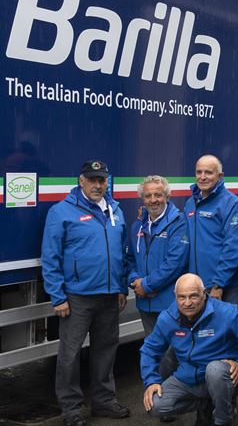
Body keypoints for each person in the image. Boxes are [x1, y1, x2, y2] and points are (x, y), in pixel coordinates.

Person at [41, 159, 129, 426]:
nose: (98, 185)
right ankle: (71, 409)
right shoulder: (61, 212)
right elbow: (50, 256)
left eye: (102, 180)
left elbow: (122, 253)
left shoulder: (116, 210)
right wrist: (58, 296)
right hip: (77, 297)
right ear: (81, 180)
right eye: (92, 179)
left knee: (105, 351)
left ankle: (103, 402)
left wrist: (121, 287)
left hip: (109, 295)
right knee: (70, 354)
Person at [140, 273, 238, 426]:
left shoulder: (225, 312)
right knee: (155, 405)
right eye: (182, 297)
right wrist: (151, 381)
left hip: (222, 376)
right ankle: (206, 404)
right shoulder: (167, 318)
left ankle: (223, 420)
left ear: (204, 294)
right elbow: (149, 349)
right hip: (188, 377)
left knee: (214, 369)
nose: (187, 303)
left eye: (193, 296)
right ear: (175, 296)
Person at [126, 176, 188, 385]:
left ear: (167, 196)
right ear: (142, 198)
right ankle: (158, 392)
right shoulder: (137, 227)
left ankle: (173, 395)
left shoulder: (178, 223)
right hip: (146, 302)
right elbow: (129, 260)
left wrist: (147, 285)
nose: (153, 200)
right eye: (148, 195)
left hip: (168, 302)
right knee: (152, 347)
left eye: (158, 195)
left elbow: (175, 263)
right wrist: (135, 281)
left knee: (172, 351)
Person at [184, 155, 238, 308]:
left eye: (208, 172)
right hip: (198, 286)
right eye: (199, 172)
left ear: (220, 176)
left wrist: (219, 285)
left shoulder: (232, 204)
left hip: (227, 287)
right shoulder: (190, 203)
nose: (202, 177)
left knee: (229, 330)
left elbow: (233, 247)